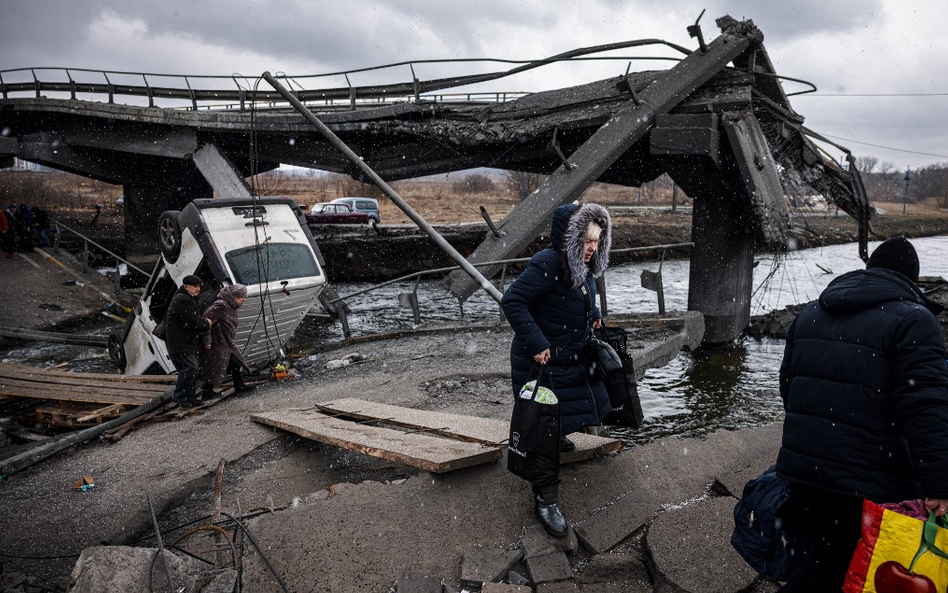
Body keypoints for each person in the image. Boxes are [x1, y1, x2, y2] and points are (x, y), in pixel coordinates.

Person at [775, 236, 948, 592]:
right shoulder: (914, 321)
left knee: (808, 572)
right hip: (870, 484)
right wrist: (939, 485)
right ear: (911, 279)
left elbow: (789, 389)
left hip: (804, 474)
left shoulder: (810, 313)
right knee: (858, 575)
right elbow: (927, 409)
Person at [500, 202, 613, 537]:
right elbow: (513, 301)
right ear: (569, 238)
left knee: (563, 413)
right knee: (540, 426)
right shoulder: (547, 263)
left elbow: (581, 295)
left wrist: (592, 315)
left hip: (567, 357)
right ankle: (545, 499)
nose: (592, 248)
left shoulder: (582, 265)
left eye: (596, 241)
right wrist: (537, 343)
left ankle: (558, 434)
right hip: (540, 360)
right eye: (586, 240)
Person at [198, 283, 253, 400]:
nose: (244, 299)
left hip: (226, 341)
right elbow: (206, 320)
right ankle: (207, 392)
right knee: (214, 366)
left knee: (234, 364)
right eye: (241, 297)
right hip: (219, 341)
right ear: (234, 296)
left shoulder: (231, 305)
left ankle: (239, 386)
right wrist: (207, 340)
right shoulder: (221, 305)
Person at [165, 275, 213, 408]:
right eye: (194, 286)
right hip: (180, 344)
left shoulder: (188, 297)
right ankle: (180, 396)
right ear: (186, 287)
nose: (198, 289)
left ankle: (190, 398)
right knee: (189, 369)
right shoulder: (182, 300)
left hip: (186, 342)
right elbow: (192, 321)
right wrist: (207, 323)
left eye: (199, 286)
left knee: (192, 370)